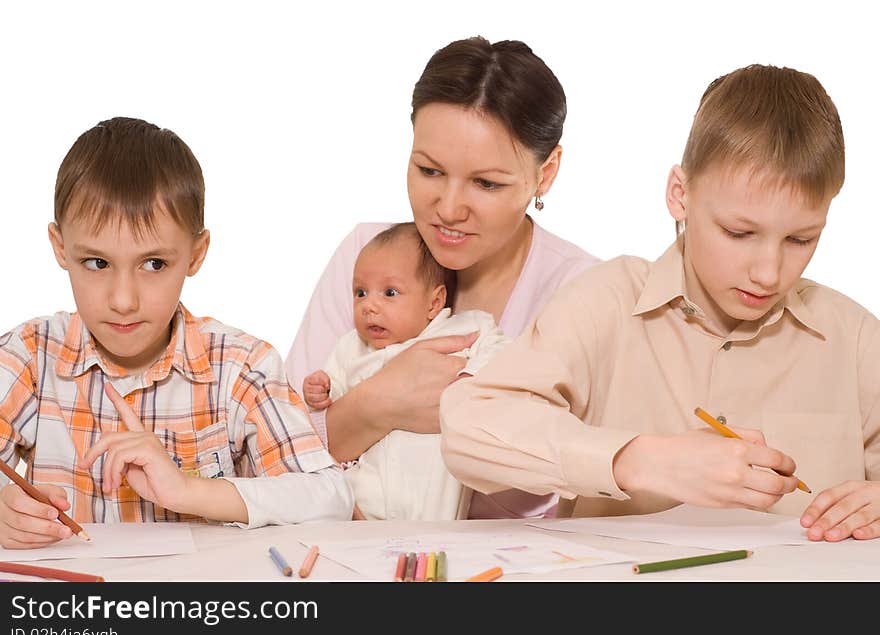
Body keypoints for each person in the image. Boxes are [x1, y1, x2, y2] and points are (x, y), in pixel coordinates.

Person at [441, 63, 880, 543]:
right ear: (680, 195)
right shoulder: (607, 301)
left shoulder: (854, 337)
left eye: (800, 239)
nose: (769, 272)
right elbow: (467, 425)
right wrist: (637, 459)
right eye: (739, 232)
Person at [0, 117, 353, 550]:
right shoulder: (30, 355)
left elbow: (330, 496)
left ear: (196, 253)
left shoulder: (239, 366)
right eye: (96, 262)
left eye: (153, 264)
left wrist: (189, 492)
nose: (123, 300)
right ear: (60, 248)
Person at [286, 36, 600, 519]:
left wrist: (357, 423)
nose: (449, 209)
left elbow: (562, 482)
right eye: (429, 171)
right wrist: (380, 401)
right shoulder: (367, 256)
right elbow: (280, 446)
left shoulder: (578, 290)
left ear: (546, 173)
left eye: (487, 183)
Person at [302, 222, 509, 520]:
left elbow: (503, 351)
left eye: (389, 292)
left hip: (434, 506)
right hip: (365, 504)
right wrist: (321, 389)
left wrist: (469, 378)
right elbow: (330, 393)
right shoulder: (351, 347)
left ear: (433, 302)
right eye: (360, 292)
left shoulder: (466, 329)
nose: (369, 305)